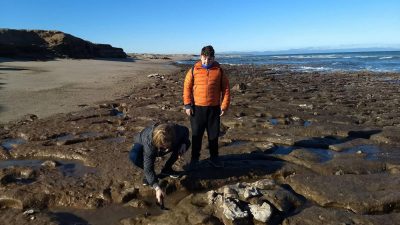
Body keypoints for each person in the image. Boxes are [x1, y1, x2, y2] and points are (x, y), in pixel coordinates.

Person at [183, 45, 230, 168]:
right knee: (196, 135)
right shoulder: (193, 70)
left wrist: (224, 106)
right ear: (201, 57)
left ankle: (214, 158)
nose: (206, 61)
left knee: (213, 136)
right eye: (204, 58)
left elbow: (226, 89)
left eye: (209, 59)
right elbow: (187, 88)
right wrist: (187, 105)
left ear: (213, 58)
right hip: (197, 109)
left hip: (214, 109)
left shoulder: (219, 71)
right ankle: (194, 159)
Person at [129, 122, 190, 204]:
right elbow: (148, 168)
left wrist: (184, 143)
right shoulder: (149, 143)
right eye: (163, 147)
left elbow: (186, 131)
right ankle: (151, 177)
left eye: (168, 146)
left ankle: (167, 169)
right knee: (134, 156)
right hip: (141, 142)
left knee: (187, 143)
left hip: (164, 142)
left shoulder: (176, 130)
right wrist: (157, 188)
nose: (167, 150)